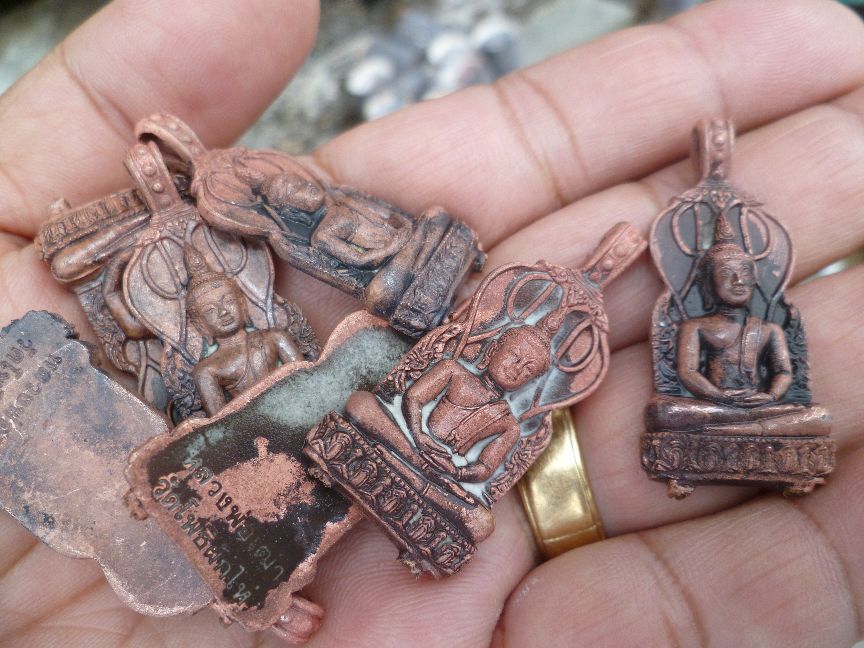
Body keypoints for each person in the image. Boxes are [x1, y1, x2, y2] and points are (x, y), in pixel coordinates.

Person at [1, 0, 863, 646]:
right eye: (512, 353)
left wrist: (460, 457)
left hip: (394, 459)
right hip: (334, 427)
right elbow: (381, 402)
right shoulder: (422, 357)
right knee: (322, 427)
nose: (514, 368)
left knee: (430, 506)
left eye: (528, 367)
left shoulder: (515, 404)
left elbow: (486, 463)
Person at [645, 214, 830, 436]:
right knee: (662, 411)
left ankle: (741, 428)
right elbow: (688, 371)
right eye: (726, 273)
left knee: (819, 415)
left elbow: (783, 372)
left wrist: (769, 396)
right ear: (708, 285)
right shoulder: (696, 327)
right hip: (714, 405)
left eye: (744, 272)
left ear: (754, 280)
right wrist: (718, 396)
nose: (738, 280)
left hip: (760, 406)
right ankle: (754, 429)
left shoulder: (770, 330)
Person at [346, 325, 551, 486]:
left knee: (480, 521)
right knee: (362, 405)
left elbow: (485, 468)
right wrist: (418, 433)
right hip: (408, 439)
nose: (517, 369)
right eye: (515, 357)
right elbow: (413, 398)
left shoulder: (510, 426)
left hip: (441, 470)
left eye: (528, 370)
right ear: (493, 349)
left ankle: (416, 470)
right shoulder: (452, 370)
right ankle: (416, 469)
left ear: (529, 383)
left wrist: (455, 472)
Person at [184, 245, 302, 416]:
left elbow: (306, 379)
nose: (223, 312)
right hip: (256, 426)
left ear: (242, 304)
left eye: (229, 301)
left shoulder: (275, 337)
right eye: (210, 310)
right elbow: (221, 424)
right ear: (200, 325)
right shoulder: (207, 370)